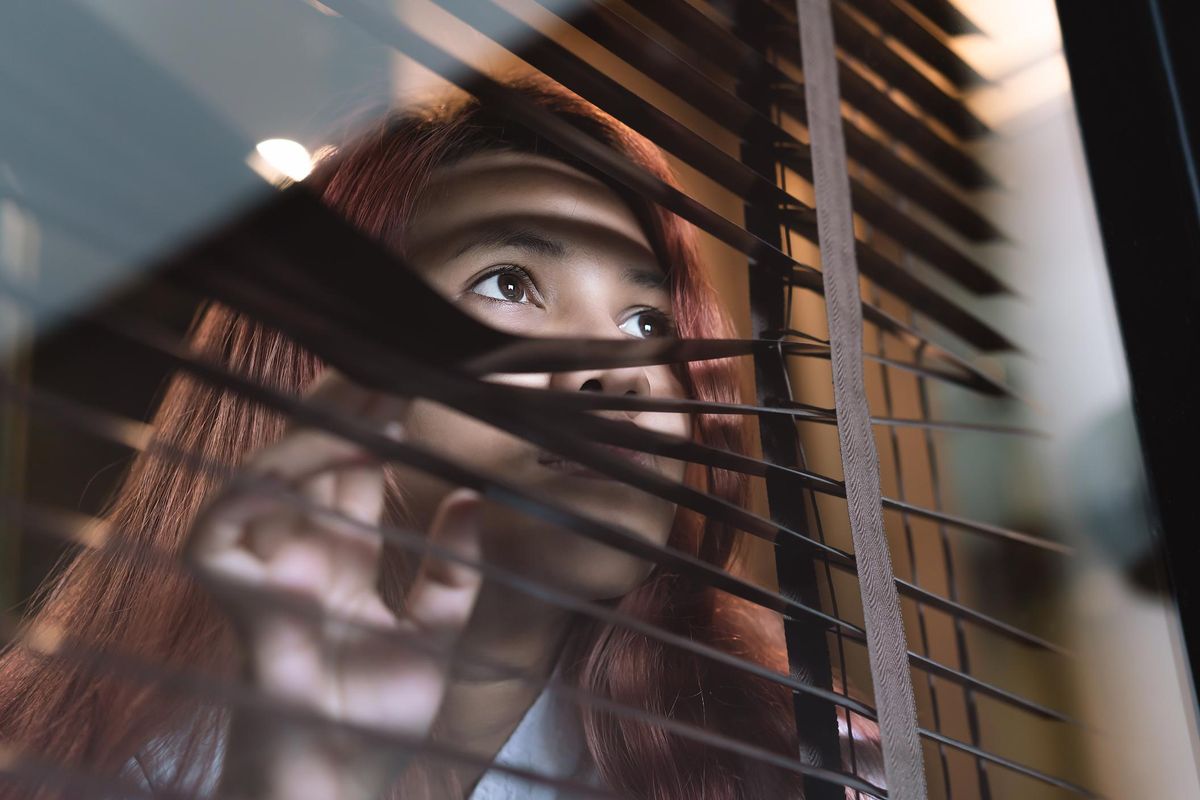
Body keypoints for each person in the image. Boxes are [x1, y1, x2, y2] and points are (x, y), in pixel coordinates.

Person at [0, 78, 880, 800]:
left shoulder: (808, 768)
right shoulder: (72, 760)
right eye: (509, 282)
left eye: (650, 321)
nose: (623, 372)